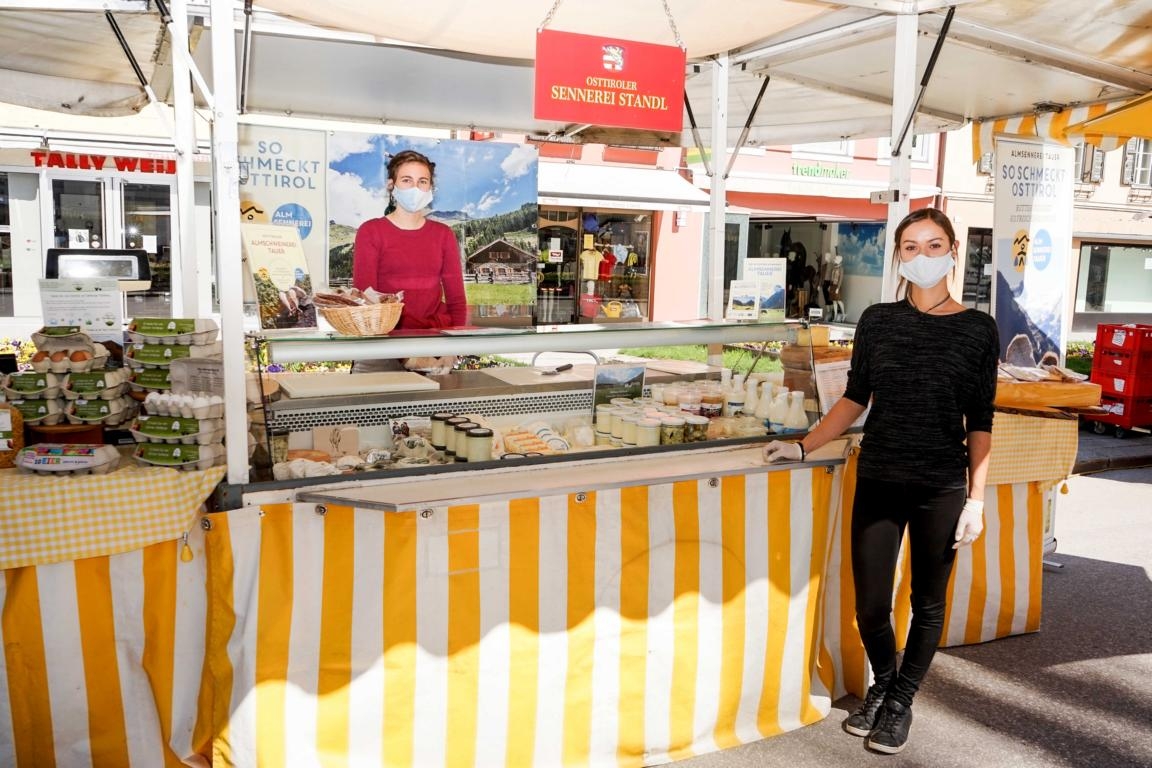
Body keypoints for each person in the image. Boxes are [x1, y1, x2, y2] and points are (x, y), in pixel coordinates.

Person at [763, 208, 999, 755]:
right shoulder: (877, 320)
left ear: (953, 251)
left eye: (933, 244)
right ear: (899, 256)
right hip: (879, 474)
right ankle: (885, 683)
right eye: (911, 247)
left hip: (941, 483)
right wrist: (803, 444)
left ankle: (898, 702)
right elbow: (854, 398)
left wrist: (976, 499)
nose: (922, 256)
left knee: (927, 602)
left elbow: (981, 419)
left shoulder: (978, 329)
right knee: (870, 602)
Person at [351, 149, 467, 373]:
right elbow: (367, 299)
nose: (415, 187)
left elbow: (456, 300)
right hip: (381, 347)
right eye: (407, 180)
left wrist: (454, 348)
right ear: (391, 185)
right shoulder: (371, 231)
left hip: (434, 346)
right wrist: (409, 358)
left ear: (430, 188)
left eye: (422, 181)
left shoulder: (443, 234)